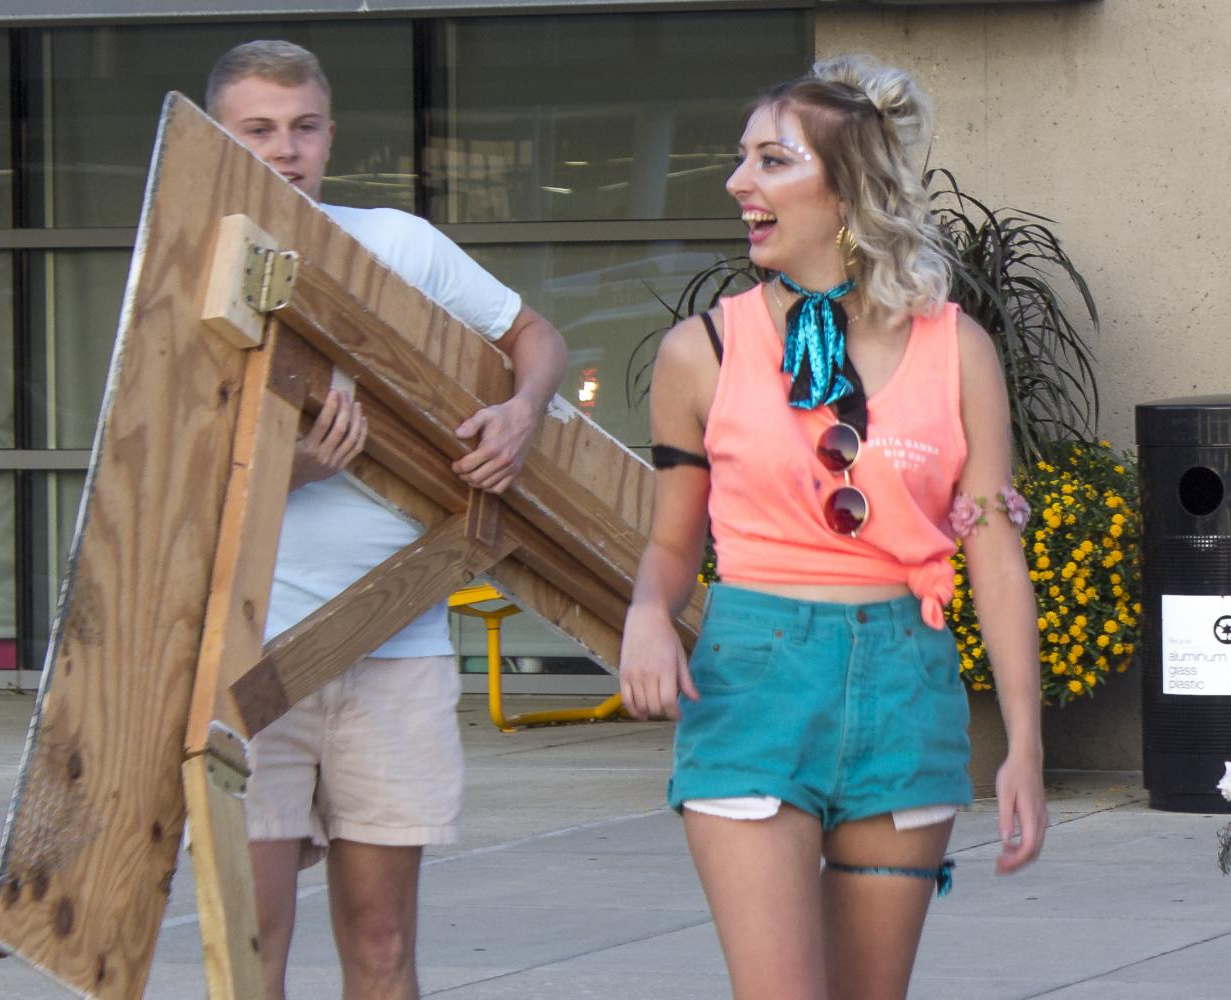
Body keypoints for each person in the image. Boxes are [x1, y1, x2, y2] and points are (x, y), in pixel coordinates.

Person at [618, 55, 1048, 1000]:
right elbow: (671, 542)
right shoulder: (705, 351)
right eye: (743, 160)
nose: (739, 183)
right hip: (755, 683)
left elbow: (994, 554)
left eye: (772, 161)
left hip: (908, 688)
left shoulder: (957, 348)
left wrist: (1024, 741)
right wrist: (648, 611)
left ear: (847, 191)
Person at [205, 40, 567, 1000]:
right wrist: (291, 472)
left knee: (381, 946)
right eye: (259, 130)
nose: (286, 150)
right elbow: (164, 488)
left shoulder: (398, 244)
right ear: (219, 139)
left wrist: (523, 411)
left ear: (328, 134)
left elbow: (533, 334)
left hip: (396, 645)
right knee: (252, 950)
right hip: (248, 653)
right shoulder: (189, 270)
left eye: (305, 126)